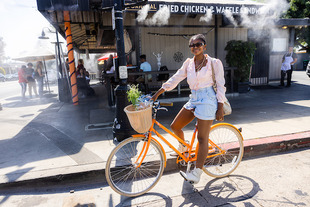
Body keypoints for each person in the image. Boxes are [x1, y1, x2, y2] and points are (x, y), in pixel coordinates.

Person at [151, 34, 226, 184]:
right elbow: (176, 78)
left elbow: (221, 84)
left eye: (199, 44)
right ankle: (184, 149)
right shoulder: (188, 64)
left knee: (202, 138)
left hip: (208, 99)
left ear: (204, 46)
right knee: (175, 126)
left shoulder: (214, 63)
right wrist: (157, 93)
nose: (195, 47)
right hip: (194, 98)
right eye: (192, 45)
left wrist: (220, 106)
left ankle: (197, 172)